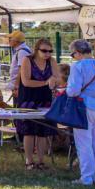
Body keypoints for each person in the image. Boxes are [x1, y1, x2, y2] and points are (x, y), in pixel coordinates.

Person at [16, 37, 60, 171]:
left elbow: (58, 78)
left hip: (45, 100)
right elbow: (26, 82)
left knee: (43, 132)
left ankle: (41, 161)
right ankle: (29, 161)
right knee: (29, 131)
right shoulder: (27, 60)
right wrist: (46, 82)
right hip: (28, 100)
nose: (47, 53)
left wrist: (54, 80)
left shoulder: (51, 61)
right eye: (44, 51)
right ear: (37, 50)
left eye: (50, 51)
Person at [66, 39, 95, 186]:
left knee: (84, 143)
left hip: (85, 107)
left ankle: (86, 178)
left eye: (72, 54)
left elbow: (73, 91)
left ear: (77, 52)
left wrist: (65, 91)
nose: (73, 57)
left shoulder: (78, 66)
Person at [8, 30, 34, 100]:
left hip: (21, 86)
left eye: (10, 39)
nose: (9, 41)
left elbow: (22, 70)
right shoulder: (21, 50)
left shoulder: (22, 52)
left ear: (16, 41)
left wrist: (17, 86)